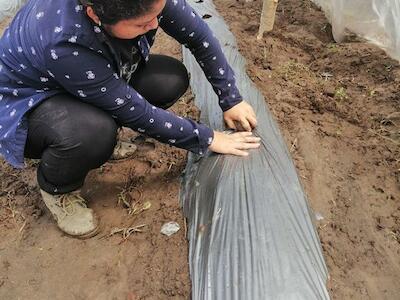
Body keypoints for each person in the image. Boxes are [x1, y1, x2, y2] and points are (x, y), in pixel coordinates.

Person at [0, 0, 260, 238]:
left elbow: (199, 36)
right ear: (95, 15)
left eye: (157, 15)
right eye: (142, 24)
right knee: (93, 133)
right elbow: (137, 113)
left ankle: (99, 128)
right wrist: (207, 138)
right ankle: (57, 188)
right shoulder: (64, 42)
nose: (155, 24)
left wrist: (231, 98)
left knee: (169, 80)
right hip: (29, 99)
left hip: (89, 76)